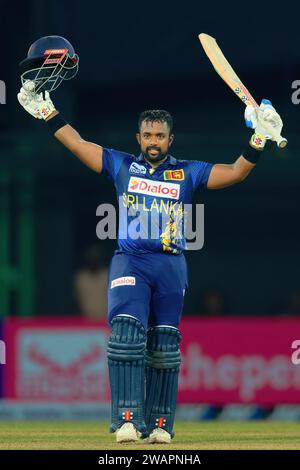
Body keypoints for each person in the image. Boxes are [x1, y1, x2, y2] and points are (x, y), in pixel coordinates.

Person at [18, 81, 283, 444]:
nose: (153, 141)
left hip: (170, 265)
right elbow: (78, 144)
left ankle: (160, 425)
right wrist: (48, 113)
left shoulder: (188, 172)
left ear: (171, 139)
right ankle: (127, 420)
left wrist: (258, 139)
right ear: (138, 138)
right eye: (147, 135)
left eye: (160, 135)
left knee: (165, 347)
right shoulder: (121, 165)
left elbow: (236, 172)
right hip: (131, 262)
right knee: (126, 337)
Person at [74, 245, 108, 319]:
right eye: (92, 259)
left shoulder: (107, 275)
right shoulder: (82, 277)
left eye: (96, 259)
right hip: (86, 319)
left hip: (105, 319)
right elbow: (78, 299)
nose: (94, 262)